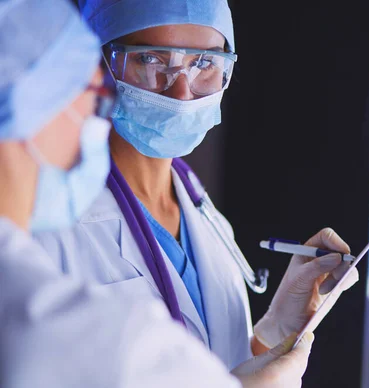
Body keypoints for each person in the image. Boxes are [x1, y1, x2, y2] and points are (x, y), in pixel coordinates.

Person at [0, 0, 316, 387]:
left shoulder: (203, 213)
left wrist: (269, 334)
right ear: (97, 67)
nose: (182, 92)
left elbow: (205, 367)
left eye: (203, 64)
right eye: (151, 60)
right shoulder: (45, 221)